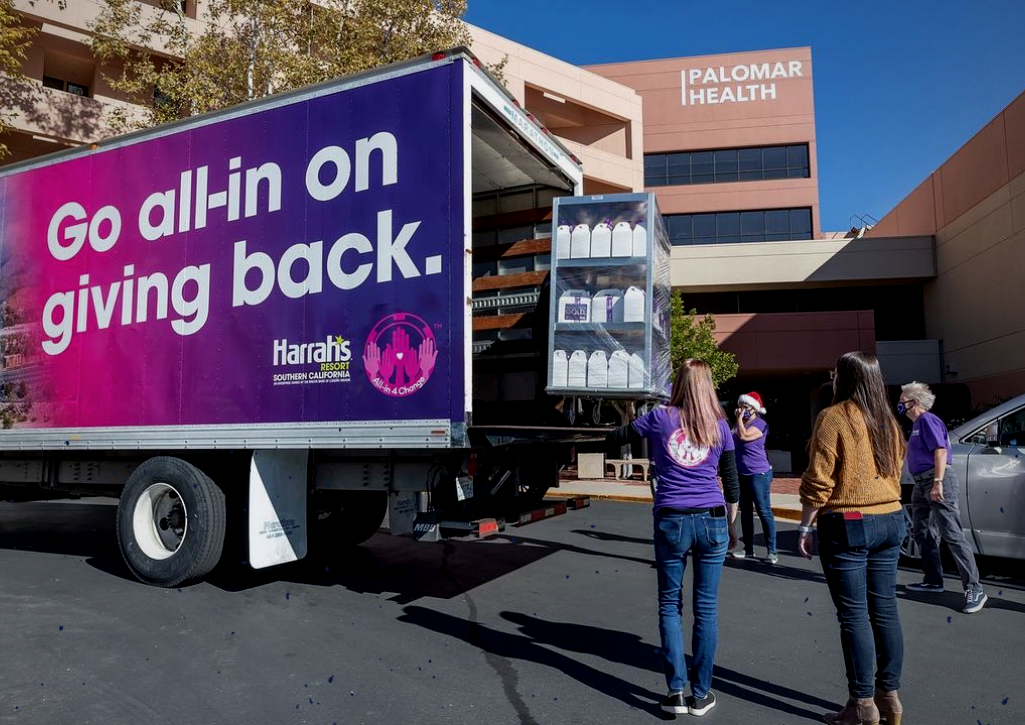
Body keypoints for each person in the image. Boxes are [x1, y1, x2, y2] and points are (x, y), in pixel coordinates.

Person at [607, 359, 739, 717]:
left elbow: (617, 438)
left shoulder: (660, 418)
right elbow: (731, 482)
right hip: (712, 519)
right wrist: (732, 526)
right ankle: (702, 694)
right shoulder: (721, 424)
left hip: (672, 519)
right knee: (706, 609)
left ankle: (676, 691)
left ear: (678, 383)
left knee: (670, 604)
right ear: (708, 385)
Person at [798, 352, 907, 725]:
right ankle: (889, 697)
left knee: (854, 615)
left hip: (849, 521)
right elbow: (897, 468)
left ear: (845, 377)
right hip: (891, 517)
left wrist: (805, 525)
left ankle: (862, 705)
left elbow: (818, 480)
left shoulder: (834, 416)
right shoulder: (889, 420)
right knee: (885, 609)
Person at [899, 381, 987, 613]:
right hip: (920, 483)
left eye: (902, 402)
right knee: (924, 531)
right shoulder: (917, 425)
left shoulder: (928, 420)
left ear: (914, 402)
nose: (900, 405)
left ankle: (974, 588)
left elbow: (940, 450)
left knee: (952, 534)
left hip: (937, 480)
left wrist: (937, 483)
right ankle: (932, 580)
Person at [729, 391, 777, 563]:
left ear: (755, 409)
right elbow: (730, 439)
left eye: (746, 407)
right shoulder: (738, 423)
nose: (742, 410)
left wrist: (739, 420)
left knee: (764, 511)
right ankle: (748, 549)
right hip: (741, 473)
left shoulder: (760, 424)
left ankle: (772, 551)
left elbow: (744, 436)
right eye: (741, 406)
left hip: (758, 474)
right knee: (746, 512)